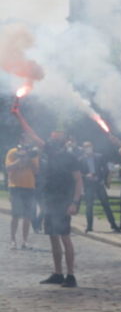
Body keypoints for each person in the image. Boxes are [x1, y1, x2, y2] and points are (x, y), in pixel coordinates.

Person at [13, 106, 83, 287]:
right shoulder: (49, 150)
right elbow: (32, 134)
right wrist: (19, 115)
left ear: (65, 139)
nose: (54, 135)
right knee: (52, 236)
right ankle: (58, 273)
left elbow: (78, 181)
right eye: (54, 133)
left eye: (59, 134)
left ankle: (71, 275)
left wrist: (75, 202)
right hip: (50, 200)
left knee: (65, 237)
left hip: (64, 201)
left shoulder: (71, 157)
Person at [6, 133, 40, 249]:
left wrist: (28, 158)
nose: (27, 142)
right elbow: (8, 167)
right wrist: (20, 158)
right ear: (20, 140)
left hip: (29, 186)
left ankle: (25, 241)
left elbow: (36, 171)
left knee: (27, 216)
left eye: (29, 140)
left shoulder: (33, 153)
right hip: (15, 186)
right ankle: (13, 240)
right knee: (15, 215)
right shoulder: (12, 152)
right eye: (25, 139)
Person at [78, 141, 119, 234]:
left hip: (99, 183)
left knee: (106, 204)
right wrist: (86, 176)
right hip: (89, 185)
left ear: (92, 147)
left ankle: (113, 224)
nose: (88, 148)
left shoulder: (99, 157)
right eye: (86, 147)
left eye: (89, 146)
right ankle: (89, 226)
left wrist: (102, 178)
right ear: (83, 149)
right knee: (89, 206)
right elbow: (79, 173)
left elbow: (105, 169)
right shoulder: (81, 160)